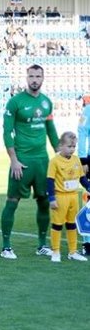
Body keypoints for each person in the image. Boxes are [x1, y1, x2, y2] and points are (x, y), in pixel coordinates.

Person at [0, 64, 59, 259]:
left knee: (44, 201)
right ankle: (6, 247)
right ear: (26, 77)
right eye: (32, 76)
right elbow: (7, 132)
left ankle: (42, 245)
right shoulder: (15, 102)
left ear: (43, 78)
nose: (35, 79)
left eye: (38, 76)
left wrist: (60, 153)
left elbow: (50, 129)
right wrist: (14, 160)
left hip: (42, 161)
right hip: (22, 161)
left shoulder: (46, 102)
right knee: (12, 201)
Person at [47, 132, 90, 262]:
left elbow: (82, 177)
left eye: (74, 146)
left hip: (73, 196)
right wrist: (52, 198)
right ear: (61, 146)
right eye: (69, 146)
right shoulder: (54, 161)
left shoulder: (76, 159)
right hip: (60, 197)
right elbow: (50, 180)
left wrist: (88, 187)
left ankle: (73, 251)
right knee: (57, 225)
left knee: (72, 225)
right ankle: (55, 251)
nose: (72, 149)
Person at [77, 96, 90, 254]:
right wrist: (83, 159)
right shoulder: (87, 110)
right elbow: (82, 133)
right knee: (88, 200)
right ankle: (87, 242)